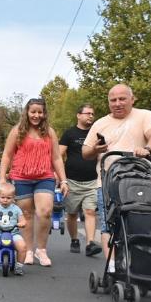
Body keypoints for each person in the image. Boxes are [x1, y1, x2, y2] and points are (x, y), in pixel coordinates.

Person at [82, 84, 151, 273]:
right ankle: (112, 265)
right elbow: (85, 151)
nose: (117, 103)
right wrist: (95, 149)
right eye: (113, 100)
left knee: (142, 223)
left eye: (122, 99)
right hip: (108, 182)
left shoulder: (145, 115)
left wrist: (147, 149)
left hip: (141, 180)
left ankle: (143, 262)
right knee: (108, 224)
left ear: (132, 99)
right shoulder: (100, 123)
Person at [0, 98, 68, 267]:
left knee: (45, 212)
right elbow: (7, 155)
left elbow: (57, 157)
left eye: (40, 112)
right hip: (22, 177)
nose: (36, 115)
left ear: (44, 113)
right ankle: (29, 250)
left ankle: (41, 249)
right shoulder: (17, 131)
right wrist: (2, 179)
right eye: (33, 112)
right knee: (26, 214)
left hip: (45, 176)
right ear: (27, 113)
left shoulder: (49, 132)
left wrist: (64, 180)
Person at [58, 103, 102, 256]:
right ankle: (75, 239)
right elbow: (58, 155)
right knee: (72, 214)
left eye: (92, 114)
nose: (90, 116)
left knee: (90, 211)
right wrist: (59, 177)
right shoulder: (69, 133)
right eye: (87, 113)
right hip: (72, 181)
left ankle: (90, 243)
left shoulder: (96, 134)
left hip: (92, 181)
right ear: (78, 115)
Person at [0, 182, 28, 275]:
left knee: (22, 247)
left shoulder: (16, 209)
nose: (5, 200)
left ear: (13, 197)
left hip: (13, 233)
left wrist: (22, 224)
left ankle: (19, 267)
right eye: (3, 197)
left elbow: (23, 221)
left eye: (8, 198)